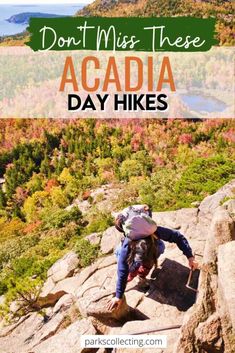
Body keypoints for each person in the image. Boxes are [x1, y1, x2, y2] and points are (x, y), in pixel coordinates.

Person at [107, 208, 198, 311]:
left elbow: (177, 236)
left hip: (151, 246)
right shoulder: (127, 245)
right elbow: (122, 269)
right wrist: (119, 295)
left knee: (159, 248)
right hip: (132, 249)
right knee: (131, 265)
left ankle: (142, 272)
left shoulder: (153, 230)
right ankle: (134, 272)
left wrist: (190, 257)